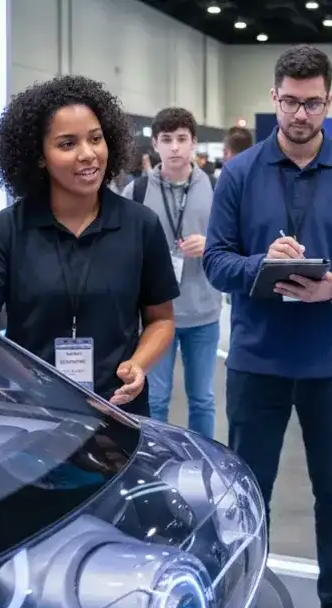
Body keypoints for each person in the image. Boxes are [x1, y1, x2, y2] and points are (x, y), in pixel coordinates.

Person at [203, 44, 332, 608]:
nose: (301, 113)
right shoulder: (238, 174)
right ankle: (243, 592)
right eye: (291, 101)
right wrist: (262, 265)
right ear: (274, 98)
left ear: (329, 102)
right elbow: (215, 262)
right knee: (248, 489)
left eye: (313, 102)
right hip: (257, 362)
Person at [0, 75, 177, 417]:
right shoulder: (6, 230)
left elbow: (161, 319)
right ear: (39, 156)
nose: (88, 154)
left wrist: (138, 364)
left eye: (96, 139)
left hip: (116, 411)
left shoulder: (140, 225)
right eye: (67, 144)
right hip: (31, 415)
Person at [124, 107, 220, 437]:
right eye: (167, 140)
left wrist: (211, 243)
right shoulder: (135, 192)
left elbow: (234, 242)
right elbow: (120, 245)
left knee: (203, 399)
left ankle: (207, 468)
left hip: (204, 311)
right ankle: (156, 465)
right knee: (157, 398)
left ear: (194, 143)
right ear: (155, 144)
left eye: (182, 139)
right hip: (155, 316)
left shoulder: (216, 189)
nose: (175, 147)